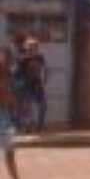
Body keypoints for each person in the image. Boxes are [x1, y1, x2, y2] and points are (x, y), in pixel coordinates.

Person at [0, 48, 19, 179]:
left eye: (8, 58)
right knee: (9, 152)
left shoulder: (10, 75)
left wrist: (13, 104)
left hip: (5, 116)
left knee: (9, 152)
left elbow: (9, 95)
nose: (6, 61)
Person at [21, 37, 48, 132]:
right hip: (27, 85)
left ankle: (39, 126)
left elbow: (45, 69)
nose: (32, 48)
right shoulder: (23, 59)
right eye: (30, 46)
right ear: (26, 47)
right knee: (27, 107)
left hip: (38, 84)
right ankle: (27, 126)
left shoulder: (40, 57)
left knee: (43, 105)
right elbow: (18, 73)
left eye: (34, 46)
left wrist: (44, 80)